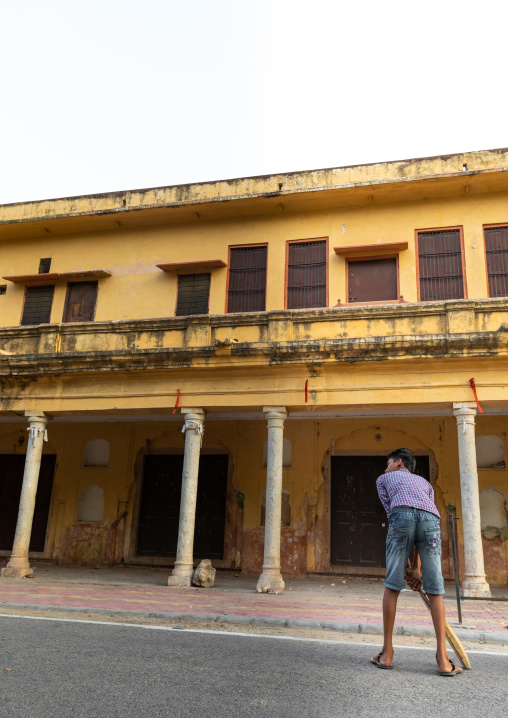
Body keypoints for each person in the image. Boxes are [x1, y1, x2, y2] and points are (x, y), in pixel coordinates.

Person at [371, 447, 462, 676]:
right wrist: (416, 568)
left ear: (399, 462)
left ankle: (387, 654)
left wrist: (406, 567)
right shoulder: (425, 483)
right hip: (431, 521)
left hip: (401, 517)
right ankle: (443, 660)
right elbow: (421, 517)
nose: (386, 467)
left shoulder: (384, 479)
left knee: (392, 586)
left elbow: (396, 514)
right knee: (436, 589)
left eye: (388, 462)